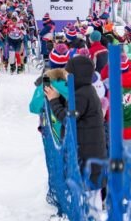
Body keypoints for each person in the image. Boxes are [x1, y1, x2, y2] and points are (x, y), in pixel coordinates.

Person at [43, 56, 107, 193]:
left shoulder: (82, 95)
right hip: (89, 155)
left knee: (88, 199)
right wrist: (58, 98)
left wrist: (54, 101)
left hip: (87, 157)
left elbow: (68, 119)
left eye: (68, 72)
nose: (66, 76)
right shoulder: (84, 91)